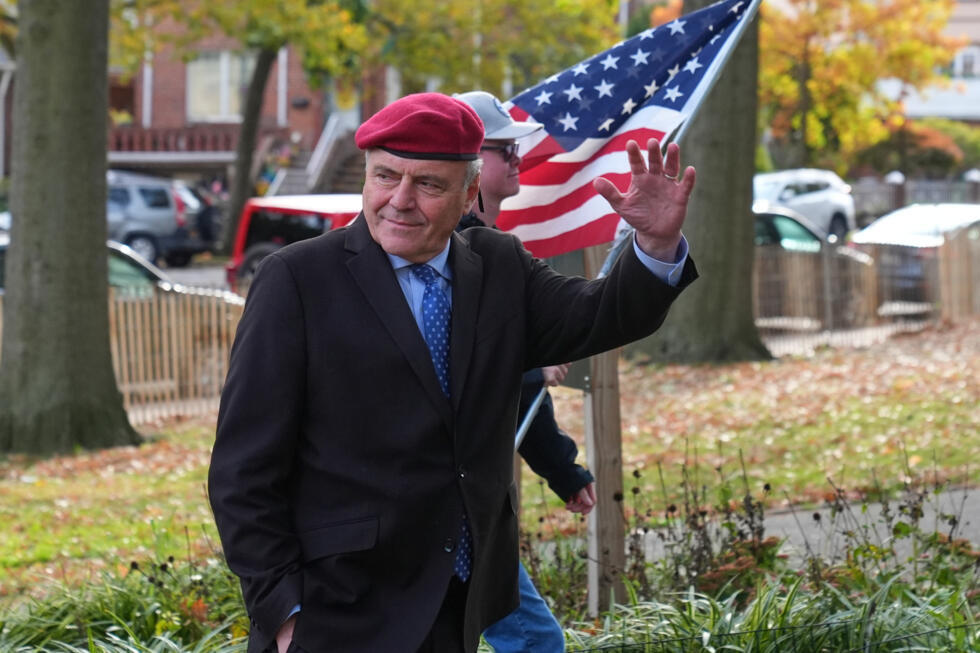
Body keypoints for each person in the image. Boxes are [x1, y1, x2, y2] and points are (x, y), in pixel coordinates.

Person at [208, 92, 697, 653]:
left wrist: (655, 245)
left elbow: (598, 316)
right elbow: (242, 471)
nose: (400, 200)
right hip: (338, 611)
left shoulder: (499, 265)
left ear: (469, 193)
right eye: (385, 177)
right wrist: (286, 612)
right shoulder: (296, 281)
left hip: (458, 601)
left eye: (428, 185)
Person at [455, 90, 595, 652]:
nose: (518, 161)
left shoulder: (492, 253)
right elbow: (469, 375)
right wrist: (529, 365)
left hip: (464, 509)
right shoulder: (449, 252)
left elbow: (503, 385)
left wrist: (563, 469)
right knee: (538, 644)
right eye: (504, 150)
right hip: (437, 507)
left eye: (517, 150)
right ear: (467, 159)